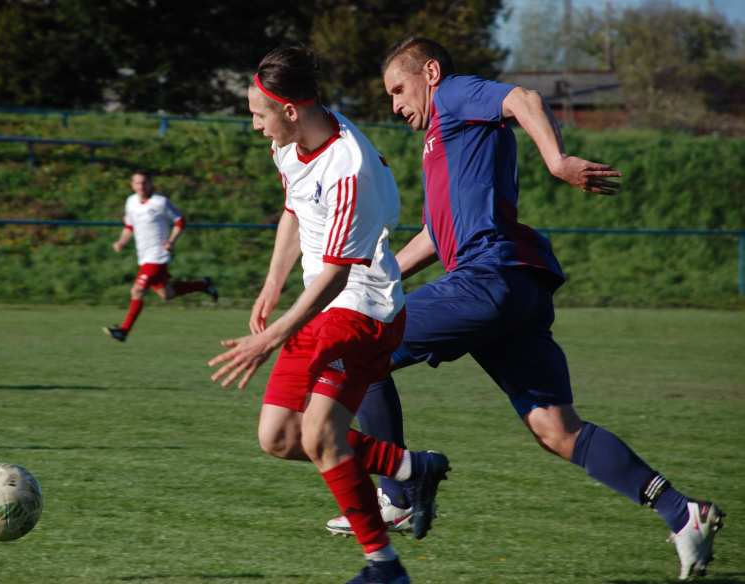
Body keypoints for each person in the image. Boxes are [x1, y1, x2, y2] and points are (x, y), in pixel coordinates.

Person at [327, 37, 725, 581]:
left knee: (357, 350)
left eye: (399, 89)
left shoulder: (455, 95)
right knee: (556, 429)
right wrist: (372, 275)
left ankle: (397, 490)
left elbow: (523, 98)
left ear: (432, 72)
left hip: (487, 278)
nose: (395, 104)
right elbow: (433, 236)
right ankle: (682, 513)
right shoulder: (443, 142)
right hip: (514, 288)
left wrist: (557, 161)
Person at [208, 46, 450, 584]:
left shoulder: (350, 168)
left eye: (259, 114)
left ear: (291, 110)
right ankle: (410, 477)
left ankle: (385, 556)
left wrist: (272, 337)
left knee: (311, 436)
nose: (255, 126)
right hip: (331, 306)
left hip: (362, 312)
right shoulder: (291, 145)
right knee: (284, 438)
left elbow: (337, 275)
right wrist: (272, 283)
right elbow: (295, 209)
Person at [104, 170, 218, 342]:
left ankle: (124, 330)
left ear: (150, 183)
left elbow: (180, 221)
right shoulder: (131, 202)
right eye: (137, 183)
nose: (140, 186)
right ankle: (203, 284)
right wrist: (121, 242)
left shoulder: (161, 202)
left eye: (144, 182)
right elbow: (129, 226)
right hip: (143, 257)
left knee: (137, 290)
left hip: (157, 256)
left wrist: (171, 241)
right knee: (167, 294)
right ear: (132, 185)